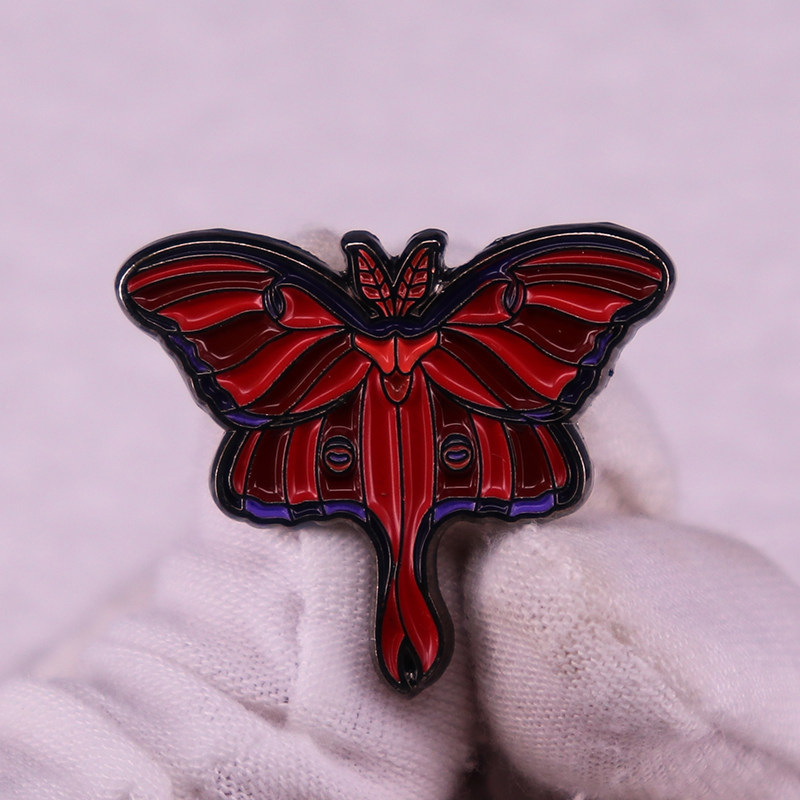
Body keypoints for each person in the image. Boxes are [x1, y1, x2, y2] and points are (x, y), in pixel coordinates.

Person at [1, 237, 798, 800]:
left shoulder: (308, 326)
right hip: (432, 430)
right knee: (411, 544)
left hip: (352, 434)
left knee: (404, 542)